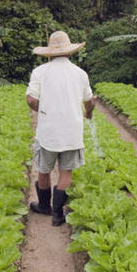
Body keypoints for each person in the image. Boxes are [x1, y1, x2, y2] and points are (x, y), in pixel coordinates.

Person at [26, 31, 96, 226]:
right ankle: (58, 215)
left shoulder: (40, 72)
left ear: (49, 53)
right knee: (66, 173)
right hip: (72, 131)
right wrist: (88, 113)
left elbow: (31, 99)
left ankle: (44, 206)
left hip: (48, 131)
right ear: (69, 52)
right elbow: (90, 102)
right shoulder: (80, 74)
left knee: (43, 169)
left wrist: (44, 109)